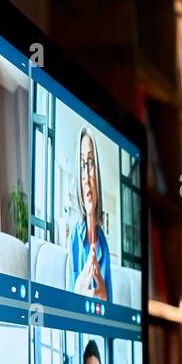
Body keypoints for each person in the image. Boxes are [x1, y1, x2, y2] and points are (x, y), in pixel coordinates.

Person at [69, 128, 111, 301]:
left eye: (91, 163)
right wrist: (78, 291)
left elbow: (111, 310)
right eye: (81, 166)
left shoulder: (104, 244)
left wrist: (104, 298)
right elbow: (68, 310)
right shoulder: (73, 237)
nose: (86, 176)